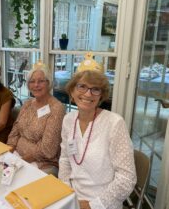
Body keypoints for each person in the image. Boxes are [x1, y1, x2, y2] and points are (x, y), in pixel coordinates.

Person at [58, 53, 136, 209]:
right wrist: (66, 191)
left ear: (101, 95)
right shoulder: (68, 120)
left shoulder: (114, 123)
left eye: (95, 89)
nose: (88, 94)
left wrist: (92, 205)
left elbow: (127, 178)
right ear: (72, 91)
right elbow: (65, 159)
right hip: (71, 196)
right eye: (82, 86)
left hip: (103, 202)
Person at [7, 61, 65, 176]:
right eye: (32, 81)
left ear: (49, 83)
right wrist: (8, 153)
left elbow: (48, 149)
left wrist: (21, 161)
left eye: (41, 81)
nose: (36, 85)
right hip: (17, 157)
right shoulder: (27, 104)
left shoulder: (57, 108)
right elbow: (14, 132)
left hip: (42, 164)